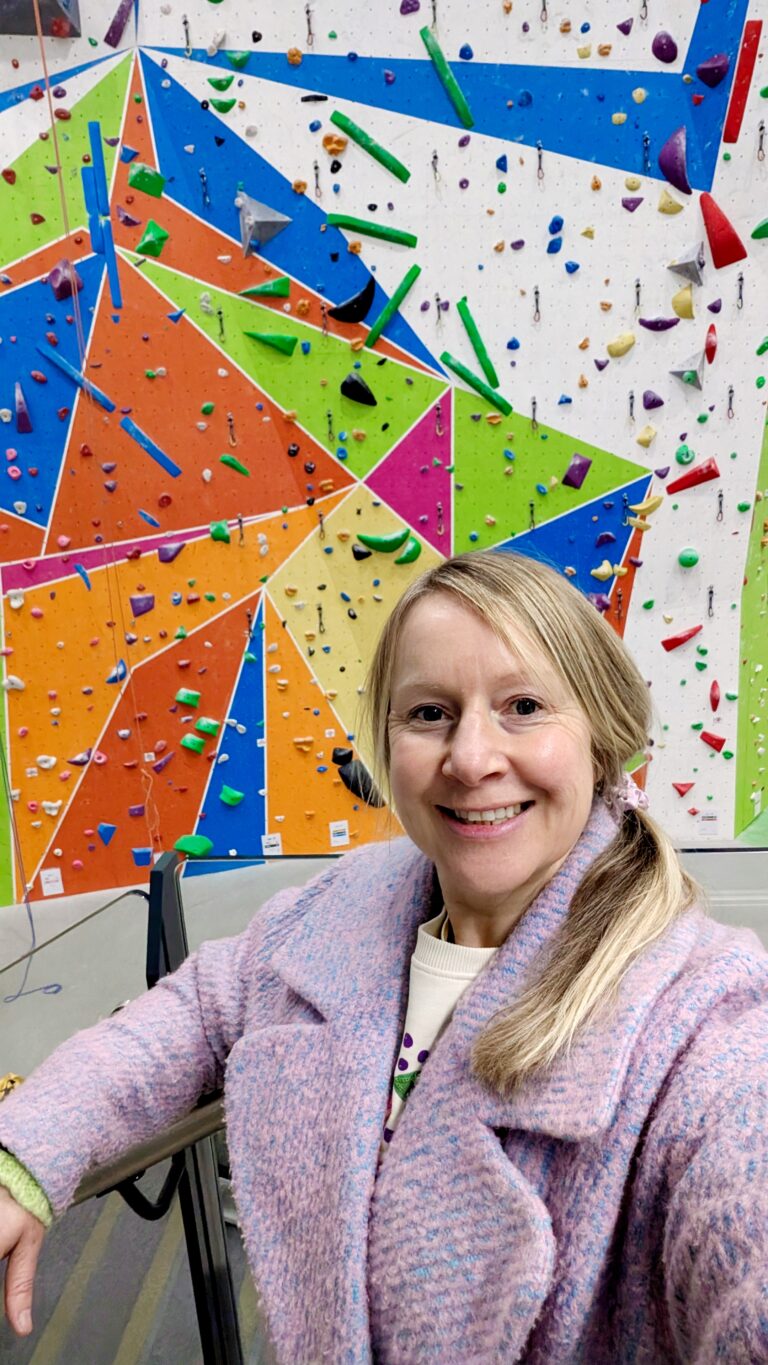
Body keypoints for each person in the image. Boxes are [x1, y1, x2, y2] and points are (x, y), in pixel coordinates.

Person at [1, 549, 767, 1362]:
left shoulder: (703, 1021)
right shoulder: (340, 911)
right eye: (430, 713)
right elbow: (195, 1010)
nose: (471, 759)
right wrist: (29, 1152)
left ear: (602, 734)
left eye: (524, 706)